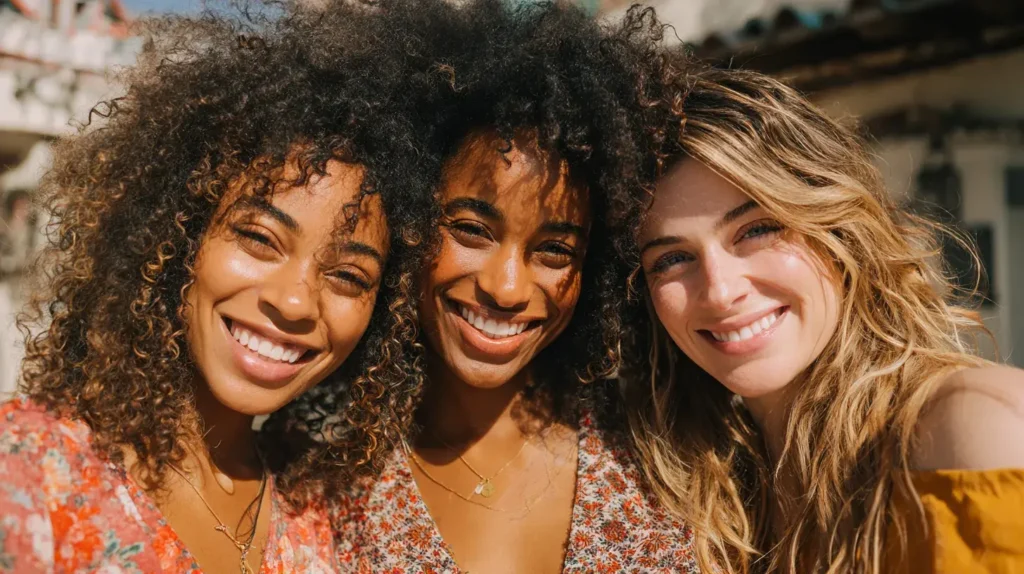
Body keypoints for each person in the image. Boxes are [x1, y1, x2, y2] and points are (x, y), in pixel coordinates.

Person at [0, 3, 433, 571]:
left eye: (349, 276)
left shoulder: (324, 515)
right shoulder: (27, 470)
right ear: (176, 234)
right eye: (259, 239)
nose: (295, 301)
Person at [327, 1, 702, 572]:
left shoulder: (667, 444)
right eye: (471, 230)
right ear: (405, 217)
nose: (506, 289)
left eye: (555, 251)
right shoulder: (317, 471)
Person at [620, 64, 1024, 573]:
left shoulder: (974, 428)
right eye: (672, 259)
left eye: (758, 229)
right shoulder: (698, 494)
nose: (720, 292)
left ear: (839, 231)